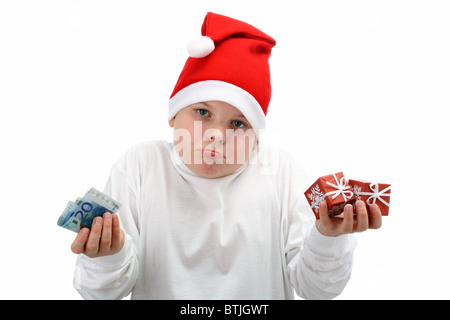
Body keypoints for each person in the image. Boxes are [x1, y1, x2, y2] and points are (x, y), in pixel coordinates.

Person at [70, 12, 382, 300]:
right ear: (173, 117)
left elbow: (316, 290)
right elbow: (101, 293)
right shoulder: (140, 165)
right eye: (202, 111)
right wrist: (108, 255)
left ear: (256, 142)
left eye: (237, 123)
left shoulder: (279, 171)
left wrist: (327, 239)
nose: (217, 135)